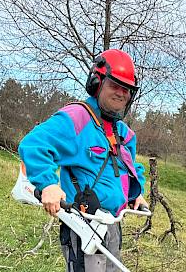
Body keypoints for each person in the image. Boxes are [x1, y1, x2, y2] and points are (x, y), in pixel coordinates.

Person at [18, 49, 147, 272]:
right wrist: (48, 184)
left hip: (113, 225)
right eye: (114, 85)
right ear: (96, 82)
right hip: (84, 225)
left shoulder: (123, 133)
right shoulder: (76, 118)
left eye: (126, 89)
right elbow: (34, 145)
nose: (120, 93)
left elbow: (128, 167)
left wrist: (136, 193)